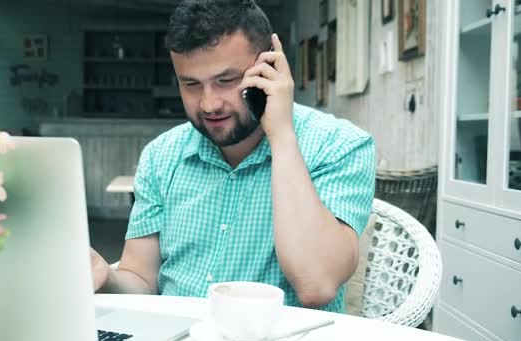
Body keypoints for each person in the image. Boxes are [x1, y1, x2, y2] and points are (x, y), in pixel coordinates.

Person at [91, 0, 375, 312]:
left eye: (226, 81)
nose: (209, 104)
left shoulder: (339, 145)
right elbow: (141, 279)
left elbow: (316, 285)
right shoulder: (161, 156)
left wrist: (280, 135)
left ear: (270, 67)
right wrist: (107, 278)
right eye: (191, 84)